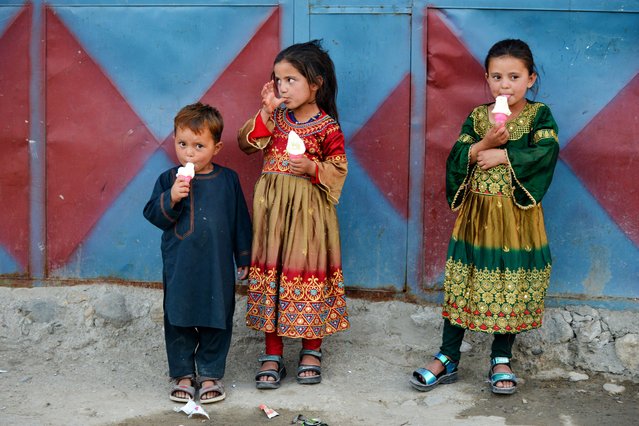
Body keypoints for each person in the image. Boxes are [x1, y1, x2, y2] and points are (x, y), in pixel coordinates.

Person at [411, 39, 560, 395]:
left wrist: (505, 156)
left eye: (513, 76)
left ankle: (501, 356)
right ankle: (448, 356)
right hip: (477, 216)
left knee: (509, 281)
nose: (504, 85)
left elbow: (547, 150)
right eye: (496, 76)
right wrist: (483, 145)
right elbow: (459, 154)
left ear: (530, 79)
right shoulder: (479, 116)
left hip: (516, 218)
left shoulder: (539, 116)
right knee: (464, 278)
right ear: (487, 78)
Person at [238, 40, 350, 389]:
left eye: (291, 80)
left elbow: (339, 168)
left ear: (315, 84)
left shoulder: (326, 127)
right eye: (278, 80)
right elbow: (246, 144)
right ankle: (272, 351)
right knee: (273, 277)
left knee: (306, 277)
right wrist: (267, 113)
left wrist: (312, 168)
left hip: (308, 218)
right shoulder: (277, 119)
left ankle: (311, 349)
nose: (283, 87)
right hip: (272, 217)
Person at [143, 102, 252, 403]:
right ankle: (182, 374)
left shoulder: (228, 180)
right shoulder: (168, 180)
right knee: (178, 316)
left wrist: (243, 257)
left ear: (216, 148)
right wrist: (172, 197)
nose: (189, 152)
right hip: (180, 265)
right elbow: (154, 215)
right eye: (182, 144)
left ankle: (209, 374)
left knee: (218, 316)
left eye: (199, 145)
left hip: (216, 267)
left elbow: (240, 220)